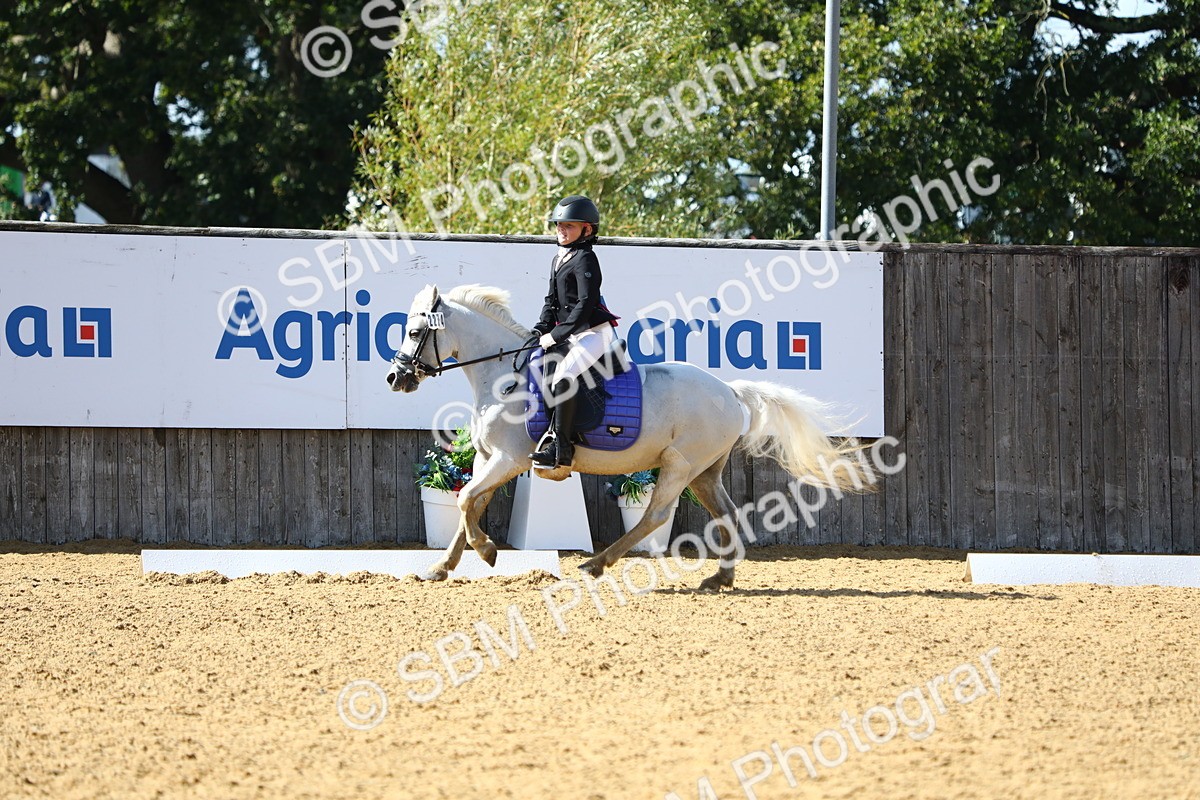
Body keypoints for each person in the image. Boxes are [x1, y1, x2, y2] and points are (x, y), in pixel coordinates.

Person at [529, 194, 619, 469]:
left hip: (592, 334)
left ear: (587, 229)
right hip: (569, 333)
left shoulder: (586, 259)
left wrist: (556, 335)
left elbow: (585, 304)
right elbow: (551, 302)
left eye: (568, 226)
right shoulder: (558, 258)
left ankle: (562, 448)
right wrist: (540, 328)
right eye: (559, 224)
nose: (561, 230)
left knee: (564, 377)